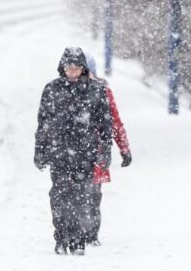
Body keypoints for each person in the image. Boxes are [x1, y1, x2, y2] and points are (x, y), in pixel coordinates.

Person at [34, 47, 112, 255]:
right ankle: (61, 236)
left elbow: (105, 125)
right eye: (69, 68)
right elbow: (43, 123)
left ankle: (77, 238)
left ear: (83, 69)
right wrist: (40, 150)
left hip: (85, 153)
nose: (72, 72)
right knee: (59, 196)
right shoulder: (51, 90)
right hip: (58, 152)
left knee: (80, 196)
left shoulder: (96, 91)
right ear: (63, 68)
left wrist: (105, 151)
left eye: (76, 68)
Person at [84, 54, 132, 246]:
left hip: (97, 150)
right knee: (83, 193)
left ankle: (90, 233)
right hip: (86, 151)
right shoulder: (66, 90)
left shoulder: (102, 91)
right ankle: (83, 231)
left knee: (93, 193)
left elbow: (114, 122)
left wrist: (124, 148)